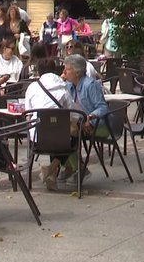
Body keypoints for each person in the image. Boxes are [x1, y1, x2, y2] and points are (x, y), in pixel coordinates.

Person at [59, 54, 109, 186]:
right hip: (79, 124)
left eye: (67, 69)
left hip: (99, 125)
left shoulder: (90, 84)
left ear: (76, 72)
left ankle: (78, 169)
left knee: (67, 135)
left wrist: (90, 118)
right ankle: (72, 167)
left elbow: (103, 108)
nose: (64, 72)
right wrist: (60, 81)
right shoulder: (69, 85)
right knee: (59, 132)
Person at [24, 58, 70, 190]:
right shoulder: (63, 86)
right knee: (73, 133)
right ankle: (52, 168)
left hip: (37, 138)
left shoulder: (32, 87)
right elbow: (71, 111)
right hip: (61, 139)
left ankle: (52, 174)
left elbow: (28, 113)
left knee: (50, 128)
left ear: (38, 71)